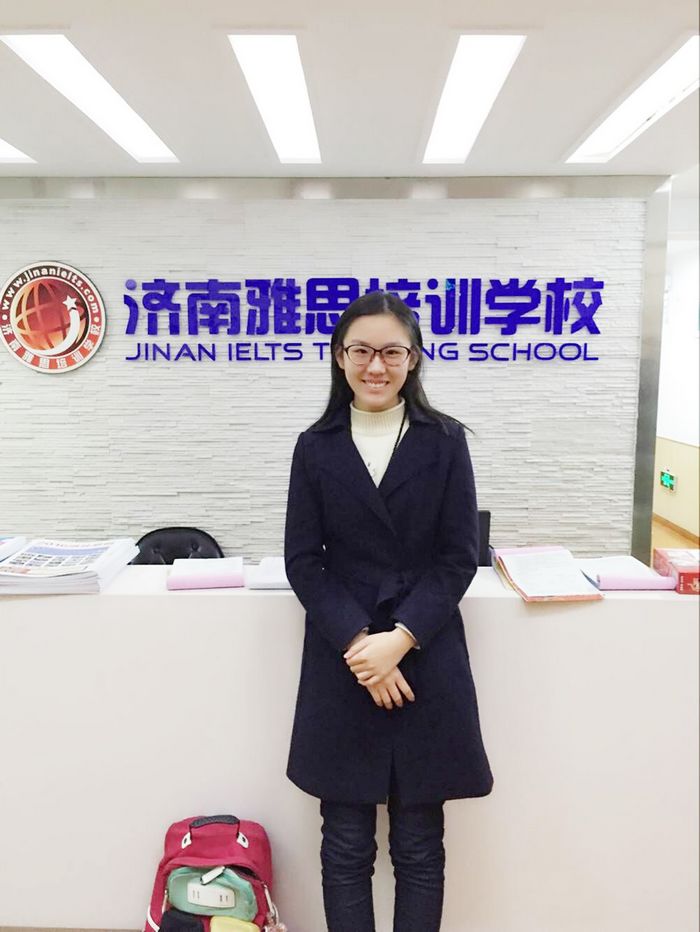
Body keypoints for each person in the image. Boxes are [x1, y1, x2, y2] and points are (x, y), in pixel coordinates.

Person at [284, 290, 493, 932]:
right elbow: (304, 561)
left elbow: (458, 557)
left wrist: (399, 639)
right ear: (339, 357)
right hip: (343, 660)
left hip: (424, 653)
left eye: (391, 352)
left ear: (413, 358)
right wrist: (361, 646)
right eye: (361, 351)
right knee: (345, 843)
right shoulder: (315, 446)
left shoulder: (445, 441)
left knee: (420, 844)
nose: (376, 366)